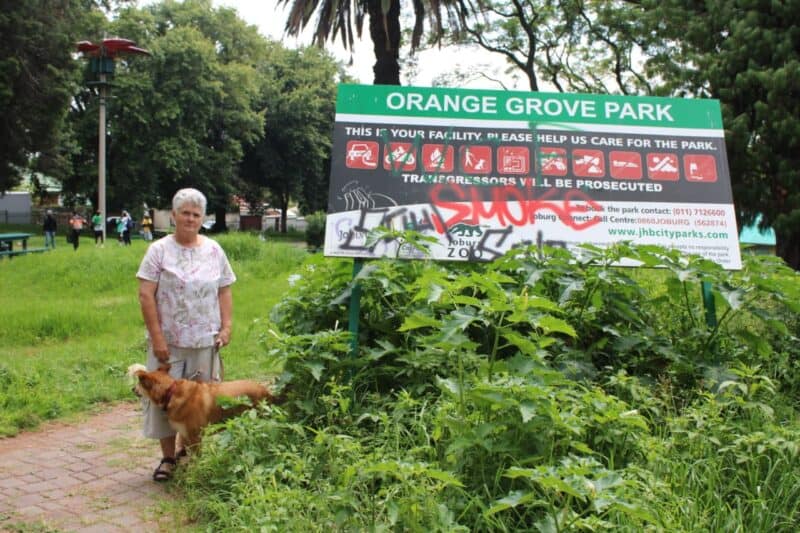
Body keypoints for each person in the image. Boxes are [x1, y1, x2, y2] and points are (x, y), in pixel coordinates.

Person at [136, 188, 236, 482]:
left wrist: (226, 327)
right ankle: (167, 459)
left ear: (202, 218)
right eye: (185, 213)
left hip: (205, 342)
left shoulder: (214, 250)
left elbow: (225, 289)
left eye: (196, 214)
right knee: (161, 400)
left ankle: (188, 454)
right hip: (168, 345)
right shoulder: (158, 250)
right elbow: (145, 295)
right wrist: (158, 340)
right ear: (174, 215)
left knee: (199, 405)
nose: (190, 219)